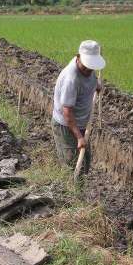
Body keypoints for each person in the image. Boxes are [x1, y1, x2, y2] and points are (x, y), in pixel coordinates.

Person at [51, 40, 105, 174]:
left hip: (81, 124)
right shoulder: (71, 78)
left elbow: (89, 78)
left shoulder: (87, 68)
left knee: (85, 162)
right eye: (86, 66)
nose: (89, 70)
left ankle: (79, 191)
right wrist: (79, 137)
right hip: (66, 125)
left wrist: (95, 85)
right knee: (73, 166)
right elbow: (67, 112)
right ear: (78, 57)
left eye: (92, 67)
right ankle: (71, 193)